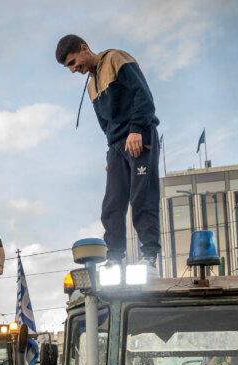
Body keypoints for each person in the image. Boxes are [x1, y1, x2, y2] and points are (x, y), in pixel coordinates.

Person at [56, 35, 161, 270]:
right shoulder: (91, 85)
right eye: (69, 67)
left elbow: (143, 96)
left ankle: (150, 255)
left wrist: (136, 130)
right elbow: (106, 124)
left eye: (73, 62)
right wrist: (111, 152)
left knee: (142, 197)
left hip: (139, 136)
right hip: (116, 146)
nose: (74, 70)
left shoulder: (115, 58)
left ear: (84, 49)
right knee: (112, 203)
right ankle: (114, 257)